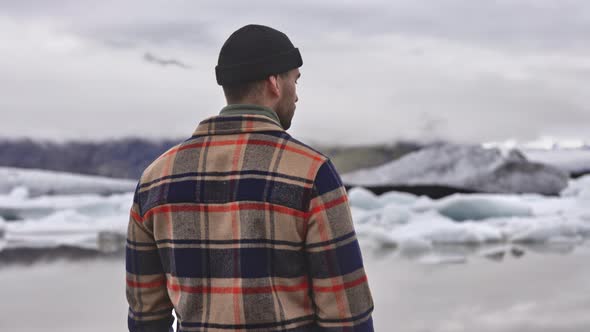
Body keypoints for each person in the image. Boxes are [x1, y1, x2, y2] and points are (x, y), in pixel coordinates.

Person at [126, 24, 374, 332]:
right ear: (274, 83)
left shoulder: (155, 179)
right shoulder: (311, 173)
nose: (297, 94)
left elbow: (146, 317)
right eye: (294, 80)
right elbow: (346, 317)